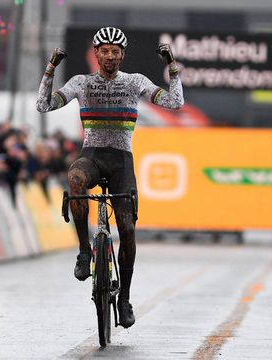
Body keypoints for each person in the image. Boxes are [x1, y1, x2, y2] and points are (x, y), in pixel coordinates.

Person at [36, 27, 184, 328]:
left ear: (122, 55)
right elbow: (44, 105)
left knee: (127, 230)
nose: (110, 56)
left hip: (121, 163)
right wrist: (51, 68)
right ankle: (82, 251)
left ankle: (125, 299)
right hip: (91, 156)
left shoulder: (134, 82)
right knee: (75, 179)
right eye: (104, 51)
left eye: (115, 52)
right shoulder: (81, 82)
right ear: (96, 53)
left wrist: (172, 66)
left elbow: (175, 103)